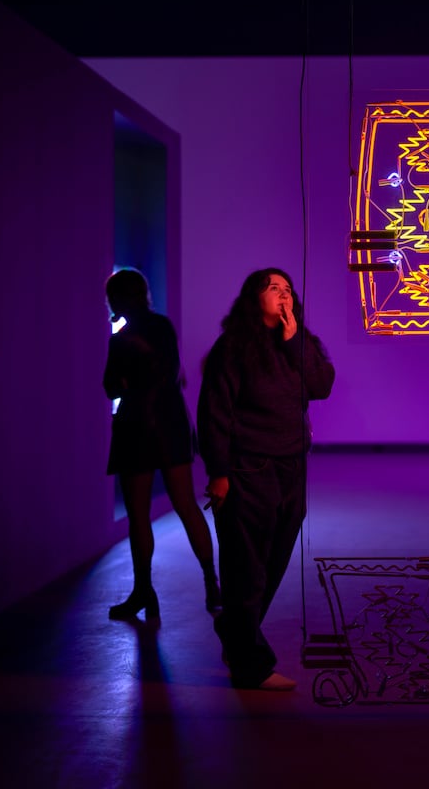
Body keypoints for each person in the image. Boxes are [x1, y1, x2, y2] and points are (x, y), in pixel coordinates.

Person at [197, 268, 336, 691]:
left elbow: (321, 385)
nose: (282, 294)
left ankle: (236, 633)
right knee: (246, 568)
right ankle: (250, 666)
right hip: (247, 470)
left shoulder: (299, 342)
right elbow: (213, 414)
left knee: (273, 561)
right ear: (253, 298)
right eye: (272, 288)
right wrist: (219, 473)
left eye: (287, 289)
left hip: (291, 468)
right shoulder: (234, 347)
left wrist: (296, 343)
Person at [103, 268, 222, 621]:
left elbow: (111, 387)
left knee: (138, 516)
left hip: (135, 427)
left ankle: (143, 592)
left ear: (118, 299)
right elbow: (171, 375)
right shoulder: (163, 327)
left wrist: (127, 380)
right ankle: (212, 584)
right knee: (186, 505)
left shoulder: (119, 340)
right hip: (170, 424)